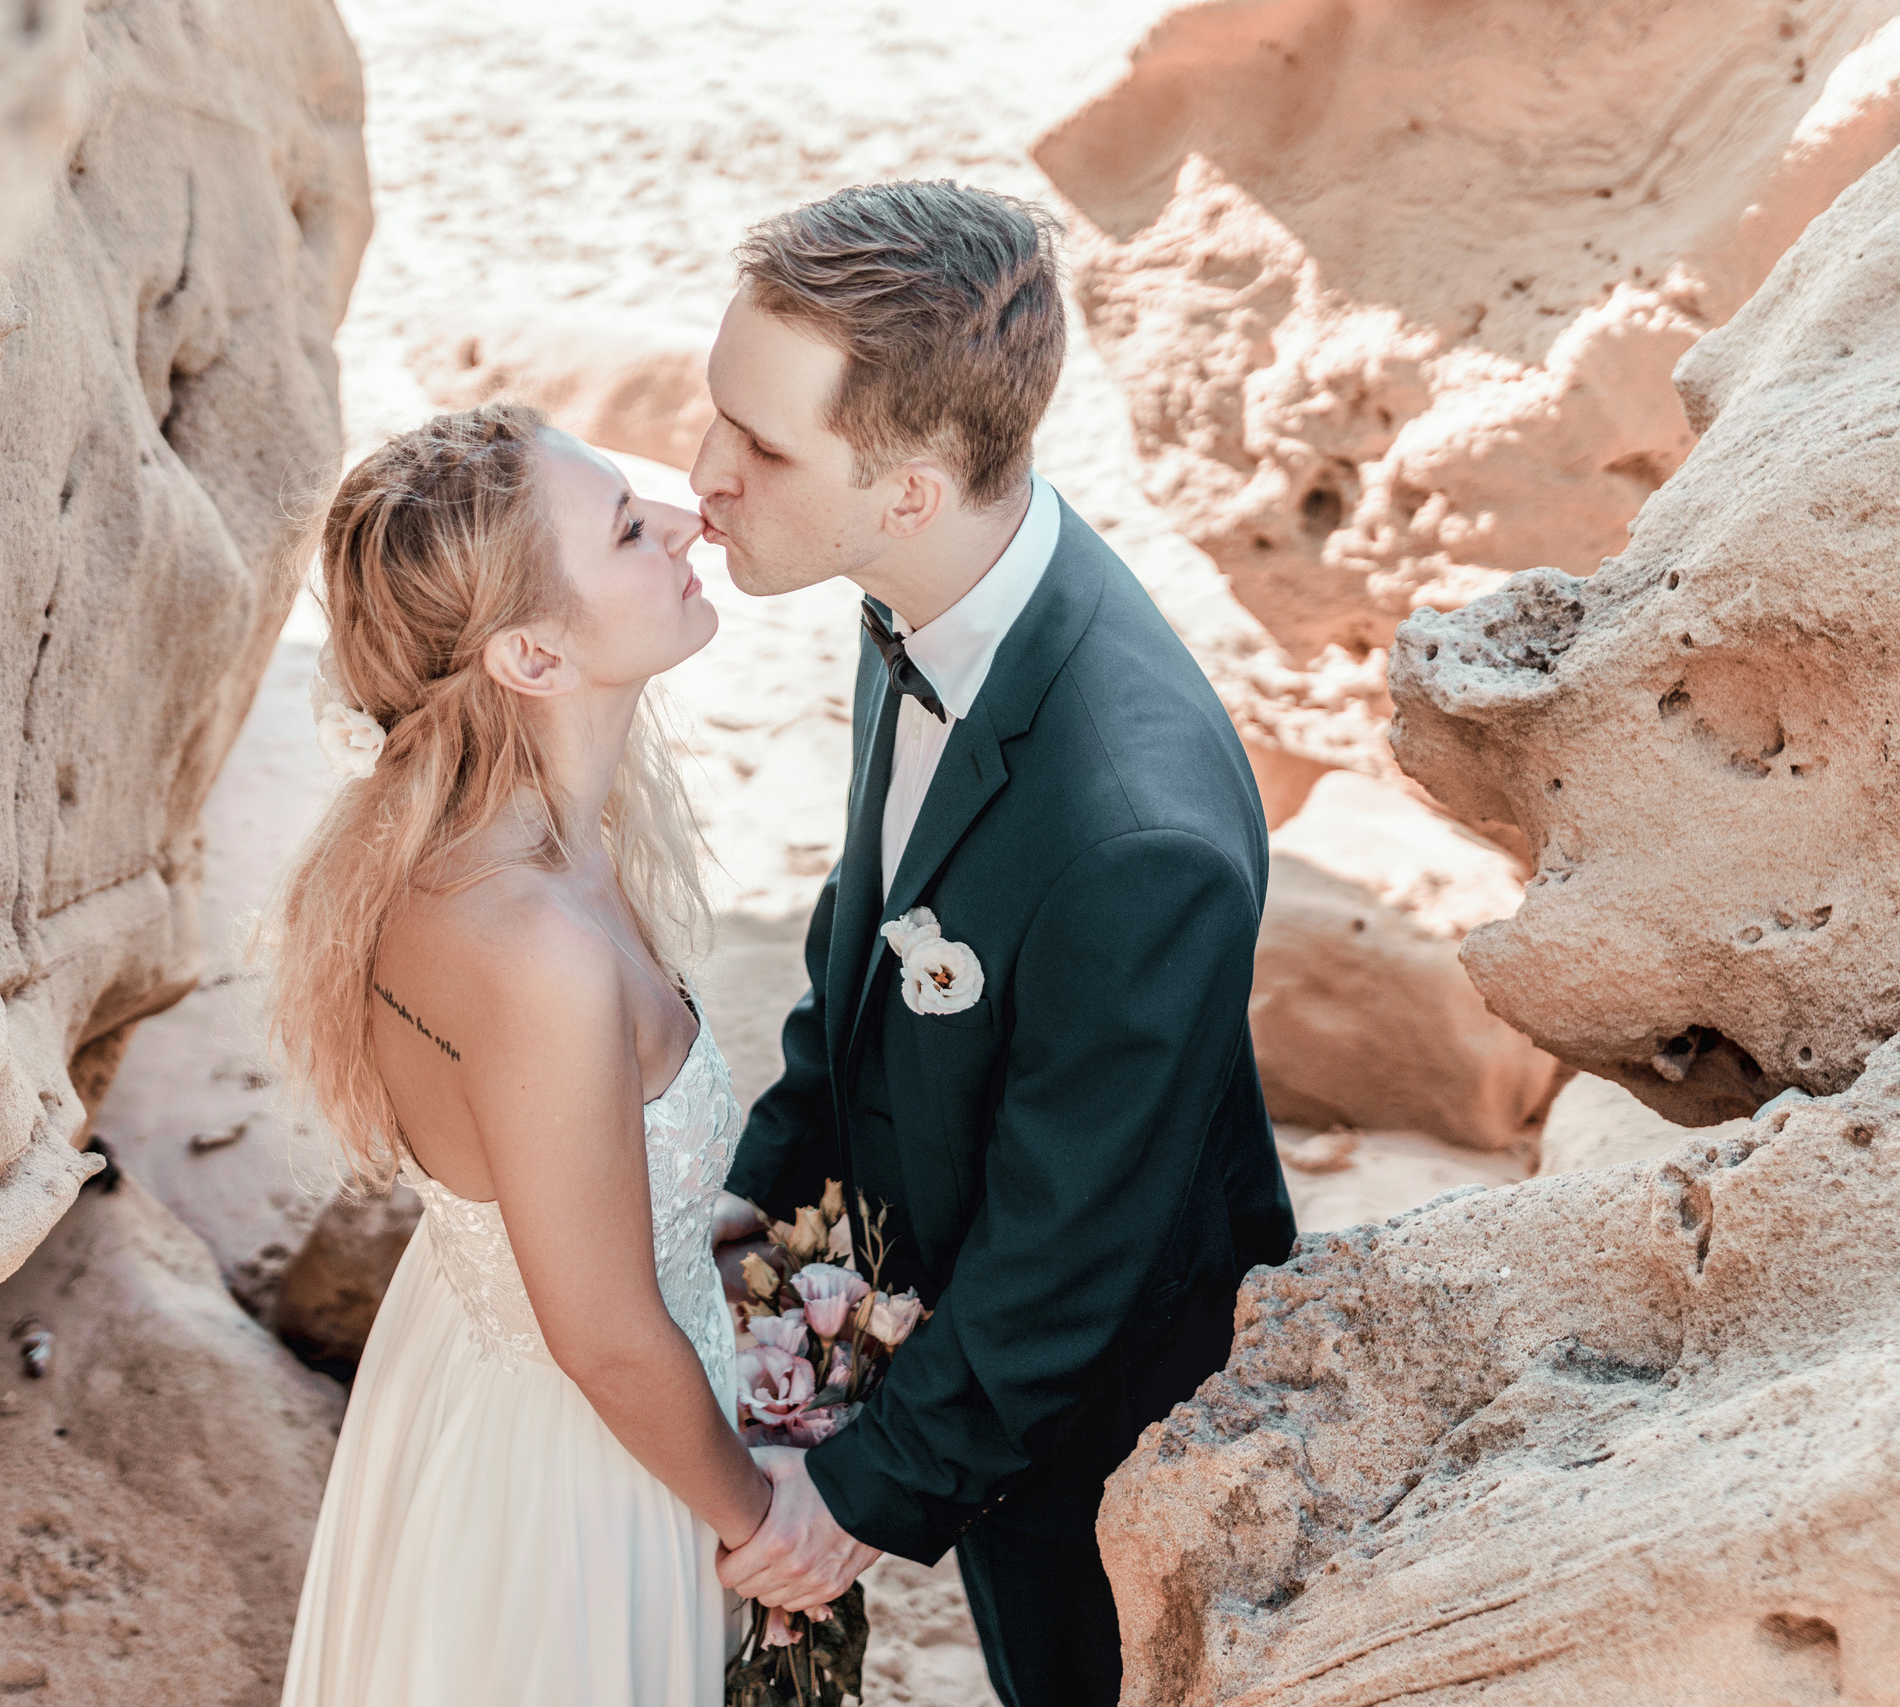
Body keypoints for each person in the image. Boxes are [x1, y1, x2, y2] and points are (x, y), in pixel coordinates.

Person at [695, 181, 1298, 1706]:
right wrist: (746, 1237)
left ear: (905, 488)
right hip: (942, 1276)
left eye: (759, 448)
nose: (704, 475)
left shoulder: (1134, 836)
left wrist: (856, 1495)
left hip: (1103, 1415)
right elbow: (866, 953)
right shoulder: (917, 593)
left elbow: (1072, 1246)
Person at [269, 403, 770, 1707]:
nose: (681, 519)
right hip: (573, 1466)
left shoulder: (467, 844)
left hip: (467, 1376)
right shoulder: (536, 940)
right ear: (534, 656)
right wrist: (763, 1522)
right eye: (624, 527)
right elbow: (605, 1338)